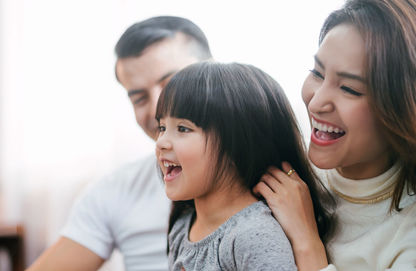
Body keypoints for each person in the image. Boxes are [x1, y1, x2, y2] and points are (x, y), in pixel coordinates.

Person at [26, 16, 212, 271]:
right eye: (139, 98)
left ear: (216, 73)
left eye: (172, 83)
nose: (159, 106)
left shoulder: (276, 177)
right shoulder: (117, 190)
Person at [253, 0, 416, 270]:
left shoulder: (407, 235)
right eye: (317, 73)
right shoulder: (285, 172)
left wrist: (307, 241)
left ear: (401, 106)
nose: (316, 102)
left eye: (349, 89)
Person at [156, 61, 334, 270]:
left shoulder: (254, 236)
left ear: (236, 145)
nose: (161, 142)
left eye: (183, 129)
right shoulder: (182, 226)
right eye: (161, 127)